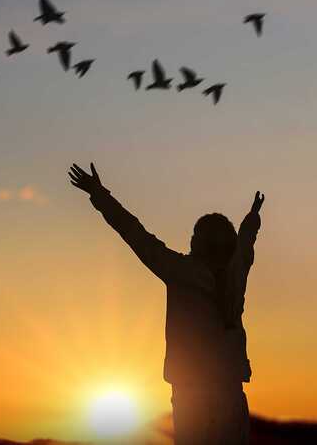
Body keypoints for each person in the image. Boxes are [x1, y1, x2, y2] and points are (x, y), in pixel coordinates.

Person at [67, 163, 263, 445]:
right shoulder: (236, 275)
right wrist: (253, 218)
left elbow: (135, 234)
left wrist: (98, 195)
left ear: (197, 242)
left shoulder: (179, 271)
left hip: (191, 393)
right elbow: (245, 244)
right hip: (229, 390)